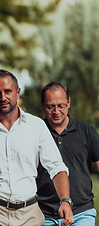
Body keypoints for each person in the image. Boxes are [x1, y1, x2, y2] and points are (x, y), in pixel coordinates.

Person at [0, 69, 74, 226]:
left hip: (29, 214)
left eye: (8, 91)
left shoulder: (37, 126)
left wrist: (65, 200)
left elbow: (56, 167)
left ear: (17, 92)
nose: (3, 97)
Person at [36, 82, 99, 225]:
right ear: (42, 105)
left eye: (61, 106)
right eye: (50, 106)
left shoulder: (87, 131)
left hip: (81, 212)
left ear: (68, 102)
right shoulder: (35, 133)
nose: (56, 111)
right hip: (44, 215)